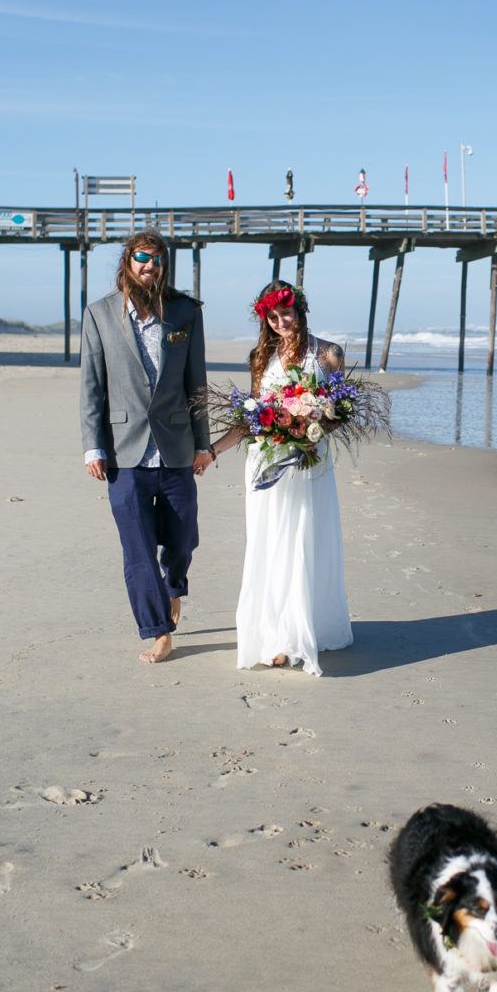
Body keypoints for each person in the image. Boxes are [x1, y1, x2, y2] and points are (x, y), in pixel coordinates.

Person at [80, 232, 212, 664]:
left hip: (176, 448)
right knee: (137, 548)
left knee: (182, 540)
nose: (149, 266)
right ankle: (159, 631)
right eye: (142, 258)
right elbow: (92, 386)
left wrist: (204, 443)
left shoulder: (186, 312)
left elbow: (197, 384)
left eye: (157, 260)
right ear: (127, 262)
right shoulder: (99, 314)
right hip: (123, 452)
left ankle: (173, 587)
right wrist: (92, 446)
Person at [212, 282, 352, 675]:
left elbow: (342, 410)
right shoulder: (261, 356)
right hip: (266, 462)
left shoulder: (328, 353)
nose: (280, 323)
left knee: (303, 542)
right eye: (272, 318)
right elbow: (252, 416)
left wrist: (314, 429)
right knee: (270, 542)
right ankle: (273, 633)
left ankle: (297, 635)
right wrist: (212, 451)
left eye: (285, 314)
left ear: (300, 309)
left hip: (309, 460)